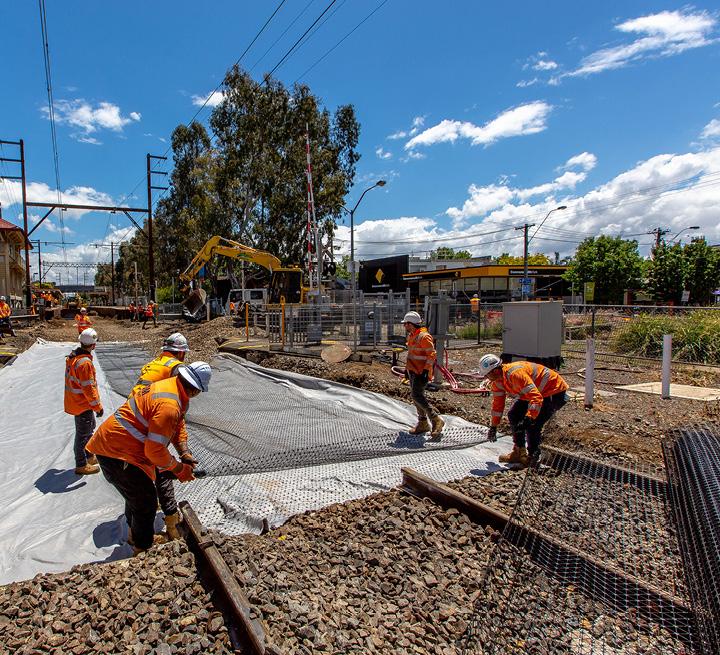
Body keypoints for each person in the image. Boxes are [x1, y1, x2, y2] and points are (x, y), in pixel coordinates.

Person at [87, 361, 212, 555]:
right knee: (146, 501)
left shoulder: (171, 387)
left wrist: (184, 453)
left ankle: (133, 535)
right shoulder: (169, 404)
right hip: (116, 453)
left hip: (119, 447)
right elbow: (154, 451)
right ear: (196, 390)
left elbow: (177, 427)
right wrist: (178, 469)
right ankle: (142, 548)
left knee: (136, 494)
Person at [130, 332, 192, 540]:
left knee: (138, 473)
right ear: (182, 353)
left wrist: (182, 447)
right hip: (152, 419)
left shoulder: (154, 363)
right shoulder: (177, 369)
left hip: (136, 415)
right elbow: (176, 412)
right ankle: (172, 523)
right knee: (163, 467)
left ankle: (133, 525)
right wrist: (182, 452)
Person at [478, 354, 569, 467]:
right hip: (534, 394)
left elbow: (536, 397)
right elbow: (497, 405)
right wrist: (494, 426)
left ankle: (533, 456)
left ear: (495, 371)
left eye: (487, 374)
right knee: (514, 414)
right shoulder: (497, 382)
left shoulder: (515, 374)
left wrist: (529, 417)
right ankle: (519, 451)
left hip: (553, 391)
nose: (486, 378)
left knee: (533, 425)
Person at [64, 328, 104, 475]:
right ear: (93, 345)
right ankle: (81, 464)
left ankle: (89, 455)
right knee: (82, 434)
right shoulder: (84, 363)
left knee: (89, 427)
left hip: (76, 402)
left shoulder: (74, 356)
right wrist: (98, 407)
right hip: (82, 404)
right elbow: (89, 388)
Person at [402, 311, 445, 439]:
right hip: (413, 371)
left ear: (411, 324)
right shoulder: (412, 336)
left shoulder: (424, 336)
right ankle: (422, 423)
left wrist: (426, 370)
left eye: (406, 324)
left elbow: (431, 354)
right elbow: (411, 355)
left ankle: (435, 419)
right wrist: (407, 369)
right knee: (416, 398)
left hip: (421, 372)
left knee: (416, 395)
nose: (404, 326)